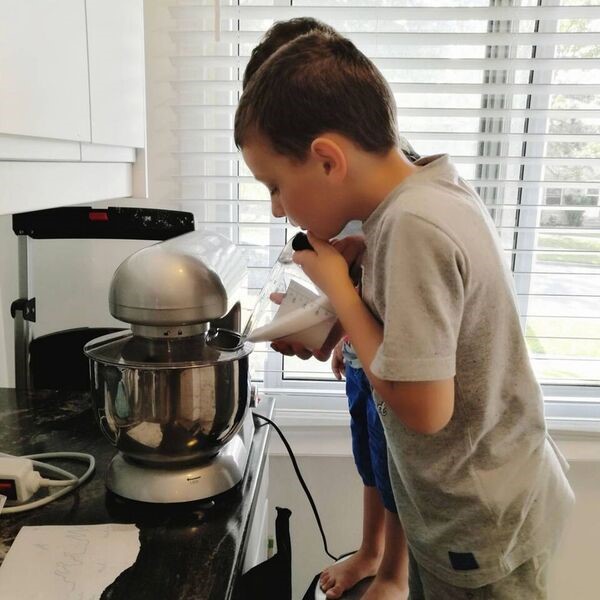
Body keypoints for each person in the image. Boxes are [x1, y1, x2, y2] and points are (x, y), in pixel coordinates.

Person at [234, 25, 575, 599]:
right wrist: (342, 310)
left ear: (326, 159)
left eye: (275, 185)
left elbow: (424, 407)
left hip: (478, 523)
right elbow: (432, 325)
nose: (277, 210)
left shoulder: (411, 227)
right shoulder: (428, 191)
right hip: (487, 502)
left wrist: (340, 291)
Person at [243, 19, 410, 600]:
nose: (275, 210)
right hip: (368, 363)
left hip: (397, 374)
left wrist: (341, 305)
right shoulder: (364, 203)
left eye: (276, 186)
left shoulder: (397, 208)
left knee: (395, 469)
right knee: (371, 458)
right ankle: (370, 553)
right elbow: (367, 292)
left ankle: (393, 570)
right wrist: (334, 331)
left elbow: (413, 367)